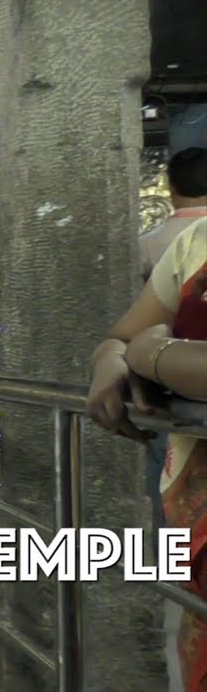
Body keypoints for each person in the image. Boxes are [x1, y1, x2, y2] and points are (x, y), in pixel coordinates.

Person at [86, 216, 207, 692]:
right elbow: (121, 334)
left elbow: (141, 339)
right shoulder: (196, 244)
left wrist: (150, 352)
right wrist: (110, 360)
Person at [135, 147, 207, 530]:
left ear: (170, 186)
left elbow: (137, 329)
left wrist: (144, 350)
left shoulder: (154, 242)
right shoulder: (194, 240)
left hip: (173, 388)